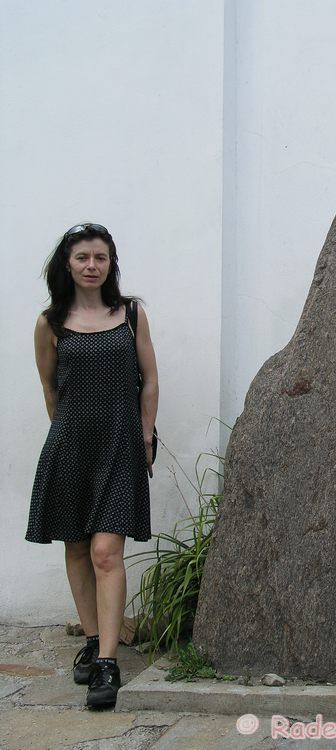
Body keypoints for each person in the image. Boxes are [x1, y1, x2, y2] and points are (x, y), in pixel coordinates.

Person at [25, 222, 159, 709]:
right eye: (82, 257)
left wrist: (145, 435)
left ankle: (106, 662)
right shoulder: (50, 324)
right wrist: (66, 441)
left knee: (107, 552)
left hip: (121, 446)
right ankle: (90, 637)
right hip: (70, 447)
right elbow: (49, 391)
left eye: (99, 257)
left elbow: (148, 379)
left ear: (110, 263)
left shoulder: (130, 315)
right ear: (68, 263)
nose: (91, 266)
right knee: (78, 547)